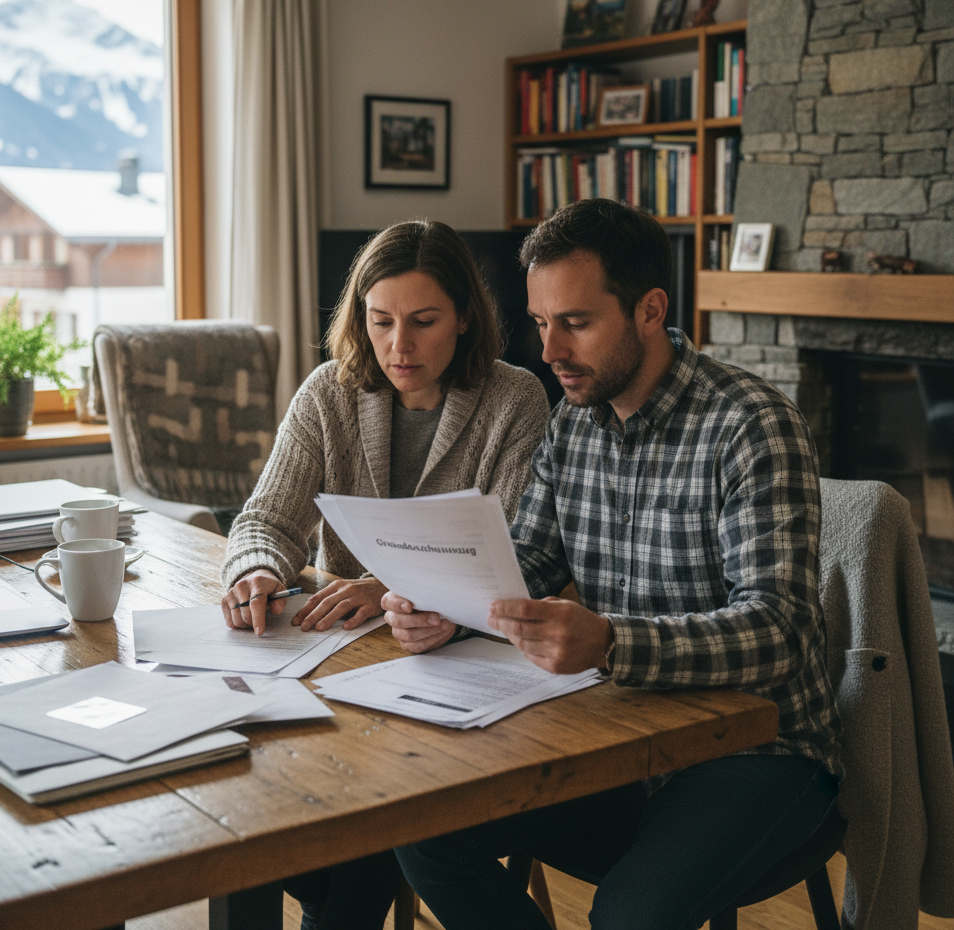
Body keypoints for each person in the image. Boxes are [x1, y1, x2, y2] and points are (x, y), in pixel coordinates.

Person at [383, 198, 844, 930]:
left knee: (628, 916)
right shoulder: (574, 420)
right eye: (541, 323)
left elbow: (779, 630)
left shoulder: (751, 424)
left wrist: (610, 642)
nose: (549, 351)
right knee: (420, 826)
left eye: (575, 322)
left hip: (761, 750)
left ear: (650, 310)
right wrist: (444, 604)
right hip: (615, 736)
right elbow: (529, 559)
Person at [220, 218, 550, 930]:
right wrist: (257, 571)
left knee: (354, 836)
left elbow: (512, 561)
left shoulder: (514, 400)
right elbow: (263, 521)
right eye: (381, 321)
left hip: (460, 676)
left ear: (464, 317)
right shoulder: (327, 394)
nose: (400, 345)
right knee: (260, 798)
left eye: (424, 322)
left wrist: (389, 588)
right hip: (343, 669)